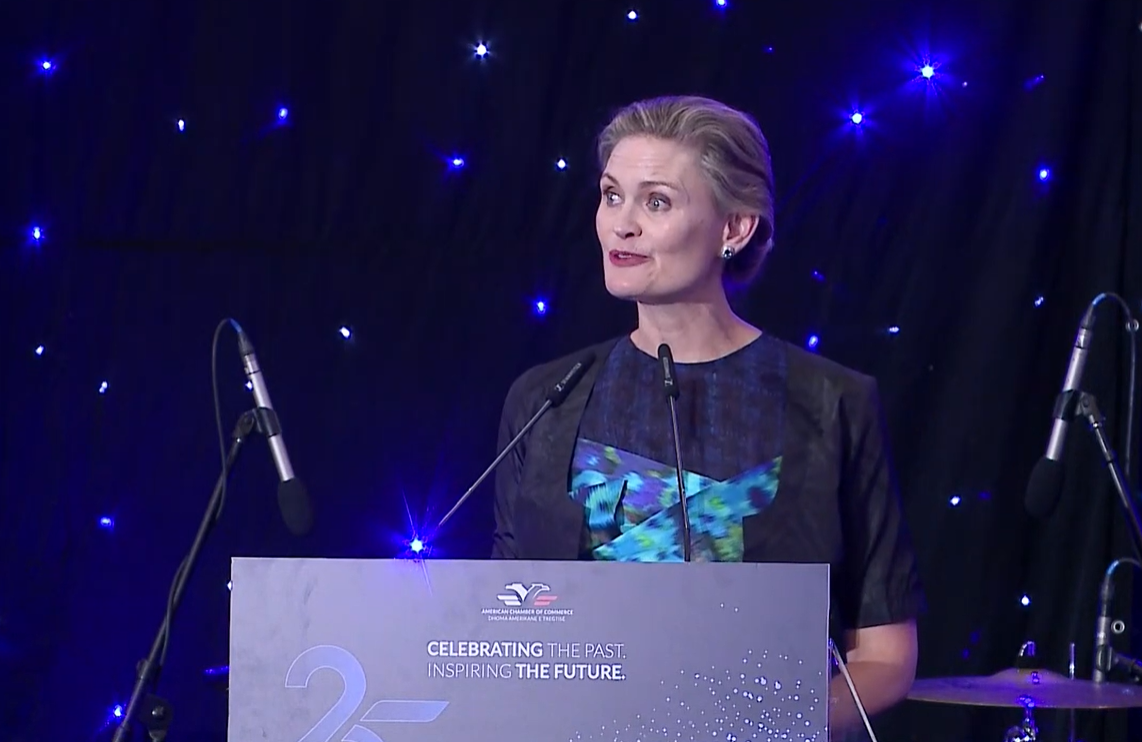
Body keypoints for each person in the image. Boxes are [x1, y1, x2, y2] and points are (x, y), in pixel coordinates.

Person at [491, 95, 922, 736]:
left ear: (735, 228)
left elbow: (885, 656)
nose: (621, 225)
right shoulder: (544, 399)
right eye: (612, 196)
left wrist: (767, 726)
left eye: (656, 202)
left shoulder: (832, 402)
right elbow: (504, 626)